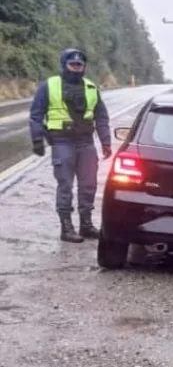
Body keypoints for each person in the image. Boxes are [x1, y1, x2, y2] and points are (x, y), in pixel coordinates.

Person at [28, 49, 113, 243]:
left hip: (86, 142)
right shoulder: (49, 86)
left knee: (89, 185)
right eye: (72, 65)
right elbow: (35, 115)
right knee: (65, 185)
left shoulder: (91, 88)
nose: (76, 68)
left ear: (84, 67)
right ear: (64, 65)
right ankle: (66, 228)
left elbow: (101, 117)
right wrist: (37, 140)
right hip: (61, 141)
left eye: (79, 65)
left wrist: (106, 142)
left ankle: (86, 224)